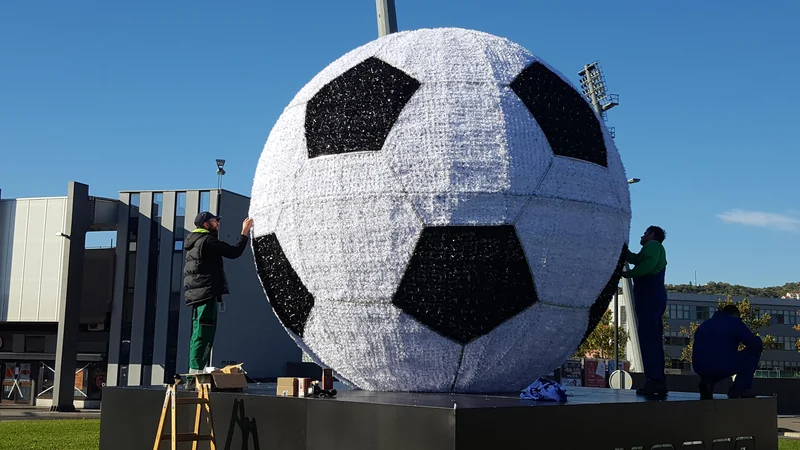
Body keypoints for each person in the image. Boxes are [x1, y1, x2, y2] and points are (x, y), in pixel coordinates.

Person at [183, 212, 253, 375]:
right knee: (204, 332)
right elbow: (234, 252)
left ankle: (196, 371)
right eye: (214, 221)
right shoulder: (207, 241)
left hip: (199, 292)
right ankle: (196, 374)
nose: (218, 223)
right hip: (206, 291)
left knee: (199, 331)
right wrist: (244, 232)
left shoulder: (194, 241)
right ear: (206, 224)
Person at [622, 225, 668, 398]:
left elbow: (646, 266)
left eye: (644, 233)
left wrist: (627, 274)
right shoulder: (651, 250)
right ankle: (657, 380)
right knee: (652, 340)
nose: (642, 237)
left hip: (650, 298)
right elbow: (637, 259)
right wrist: (624, 252)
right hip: (651, 299)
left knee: (649, 341)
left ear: (651, 235)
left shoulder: (653, 246)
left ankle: (655, 380)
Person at [692, 305, 762, 399]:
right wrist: (757, 339)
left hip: (699, 367)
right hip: (721, 364)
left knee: (714, 362)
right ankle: (739, 389)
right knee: (754, 352)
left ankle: (708, 383)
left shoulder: (704, 325)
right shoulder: (735, 322)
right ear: (735, 314)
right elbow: (753, 343)